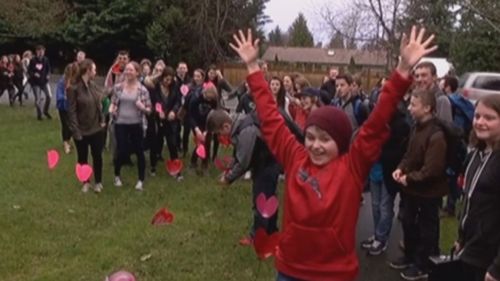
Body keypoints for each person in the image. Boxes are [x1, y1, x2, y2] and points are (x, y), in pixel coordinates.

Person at [229, 26, 437, 281]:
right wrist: (252, 68)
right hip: (290, 270)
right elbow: (271, 119)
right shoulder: (295, 158)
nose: (316, 145)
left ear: (340, 142)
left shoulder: (352, 166)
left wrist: (403, 70)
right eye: (311, 137)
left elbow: (376, 122)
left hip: (334, 273)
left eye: (325, 140)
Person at [389, 89, 449, 279]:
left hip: (429, 193)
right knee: (408, 223)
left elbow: (432, 170)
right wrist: (401, 168)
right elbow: (409, 155)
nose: (409, 108)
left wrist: (409, 178)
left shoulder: (437, 136)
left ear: (427, 108)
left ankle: (423, 265)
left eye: (414, 105)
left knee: (427, 230)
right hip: (412, 190)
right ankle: (410, 256)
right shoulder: (416, 128)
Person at [209, 110, 280, 245]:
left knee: (261, 201)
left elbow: (243, 162)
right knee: (269, 199)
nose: (220, 136)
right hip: (263, 165)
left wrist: (228, 178)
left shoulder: (246, 131)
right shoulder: (239, 126)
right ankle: (271, 232)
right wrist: (229, 170)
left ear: (225, 126)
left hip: (266, 166)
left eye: (219, 133)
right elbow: (239, 155)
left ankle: (258, 237)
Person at [454, 94, 500, 281]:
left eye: (489, 118)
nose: (480, 122)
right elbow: (469, 200)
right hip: (471, 249)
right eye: (477, 116)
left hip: (490, 259)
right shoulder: (476, 153)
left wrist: (497, 267)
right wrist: (462, 238)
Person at [110, 62, 151, 191]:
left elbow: (150, 110)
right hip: (120, 123)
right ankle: (117, 176)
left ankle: (140, 180)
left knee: (139, 151)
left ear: (137, 73)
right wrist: (112, 109)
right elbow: (113, 103)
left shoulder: (142, 90)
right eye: (126, 70)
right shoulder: (118, 88)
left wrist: (142, 107)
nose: (128, 72)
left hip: (136, 124)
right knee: (121, 150)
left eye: (131, 70)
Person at [67, 59, 105, 193]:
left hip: (96, 129)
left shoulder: (94, 86)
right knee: (82, 158)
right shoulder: (73, 89)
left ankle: (98, 182)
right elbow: (71, 112)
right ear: (87, 71)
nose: (95, 72)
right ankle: (85, 182)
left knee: (97, 156)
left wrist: (102, 119)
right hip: (81, 130)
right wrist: (75, 131)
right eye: (94, 70)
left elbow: (101, 100)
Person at [145, 66, 182, 180]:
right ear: (162, 77)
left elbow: (178, 101)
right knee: (155, 143)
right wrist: (159, 111)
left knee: (172, 144)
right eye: (166, 79)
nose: (168, 82)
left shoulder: (175, 87)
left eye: (170, 80)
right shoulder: (155, 87)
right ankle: (153, 167)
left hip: (170, 120)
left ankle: (176, 170)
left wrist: (174, 112)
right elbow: (154, 100)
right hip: (157, 119)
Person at [187, 81, 218, 175]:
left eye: (210, 99)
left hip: (207, 123)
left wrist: (207, 130)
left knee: (207, 143)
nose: (209, 100)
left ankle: (205, 164)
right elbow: (190, 115)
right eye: (207, 98)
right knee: (200, 143)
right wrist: (196, 129)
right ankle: (193, 163)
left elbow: (213, 115)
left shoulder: (214, 100)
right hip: (196, 122)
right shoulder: (195, 98)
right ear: (204, 93)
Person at [56, 63, 79, 154]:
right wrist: (65, 98)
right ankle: (66, 143)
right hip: (63, 107)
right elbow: (59, 95)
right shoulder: (62, 81)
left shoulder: (76, 81)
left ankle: (68, 141)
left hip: (72, 107)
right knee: (66, 125)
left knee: (72, 125)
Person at [28, 45, 52, 120]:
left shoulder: (46, 59)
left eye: (42, 51)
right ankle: (39, 114)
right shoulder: (33, 60)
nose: (41, 53)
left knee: (49, 96)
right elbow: (29, 71)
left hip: (44, 81)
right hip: (35, 83)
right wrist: (34, 74)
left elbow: (49, 69)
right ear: (37, 52)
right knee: (38, 100)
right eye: (39, 51)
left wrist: (48, 75)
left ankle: (46, 110)